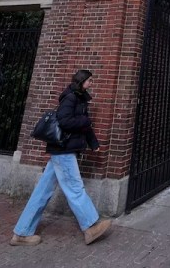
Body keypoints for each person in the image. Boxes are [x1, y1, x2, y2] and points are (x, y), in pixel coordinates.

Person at [10, 69, 112, 247]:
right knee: (75, 187)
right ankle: (91, 226)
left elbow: (84, 125)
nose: (91, 84)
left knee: (42, 192)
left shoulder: (80, 98)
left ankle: (22, 232)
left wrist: (93, 143)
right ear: (81, 82)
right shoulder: (70, 98)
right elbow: (64, 121)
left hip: (62, 150)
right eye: (89, 81)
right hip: (63, 150)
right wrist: (85, 122)